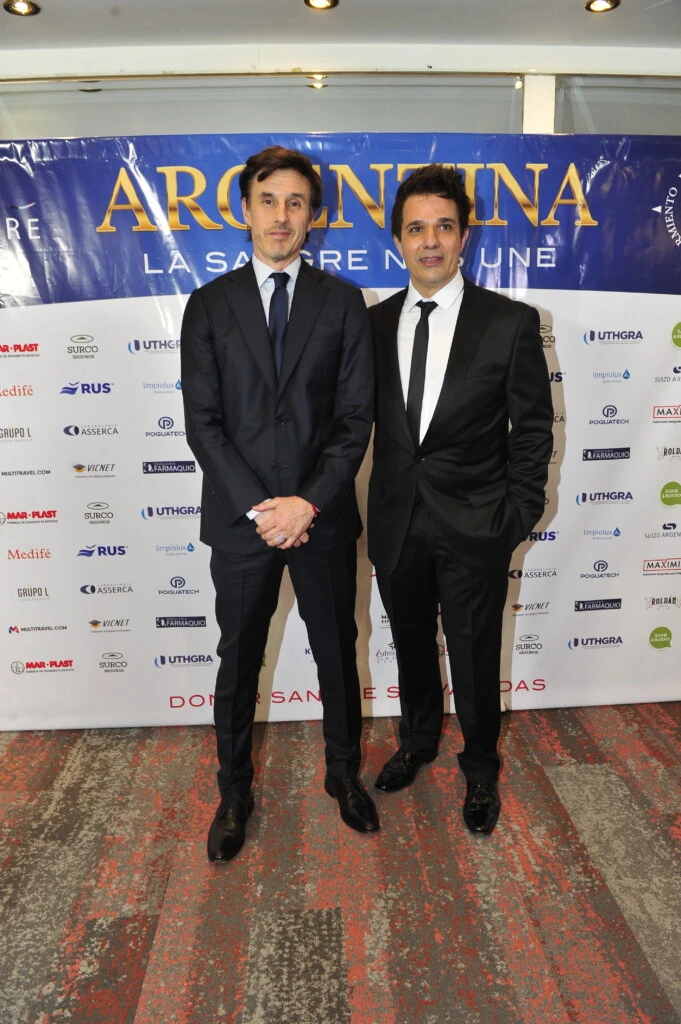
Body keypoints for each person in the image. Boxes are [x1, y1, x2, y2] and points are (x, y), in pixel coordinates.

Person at [181, 145, 378, 863]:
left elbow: (355, 419)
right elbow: (203, 423)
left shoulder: (342, 302)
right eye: (268, 201)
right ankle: (233, 793)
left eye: (296, 203)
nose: (281, 216)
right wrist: (263, 508)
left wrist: (307, 504)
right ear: (245, 209)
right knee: (239, 662)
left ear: (313, 216)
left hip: (321, 519)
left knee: (336, 654)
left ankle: (342, 775)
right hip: (242, 524)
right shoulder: (209, 305)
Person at [368, 164, 553, 834]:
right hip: (396, 520)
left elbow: (532, 428)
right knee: (411, 642)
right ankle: (418, 742)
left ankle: (479, 770)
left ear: (463, 236)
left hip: (477, 522)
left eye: (443, 227)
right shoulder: (371, 324)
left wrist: (516, 514)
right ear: (397, 239)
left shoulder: (508, 322)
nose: (430, 241)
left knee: (475, 653)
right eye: (416, 228)